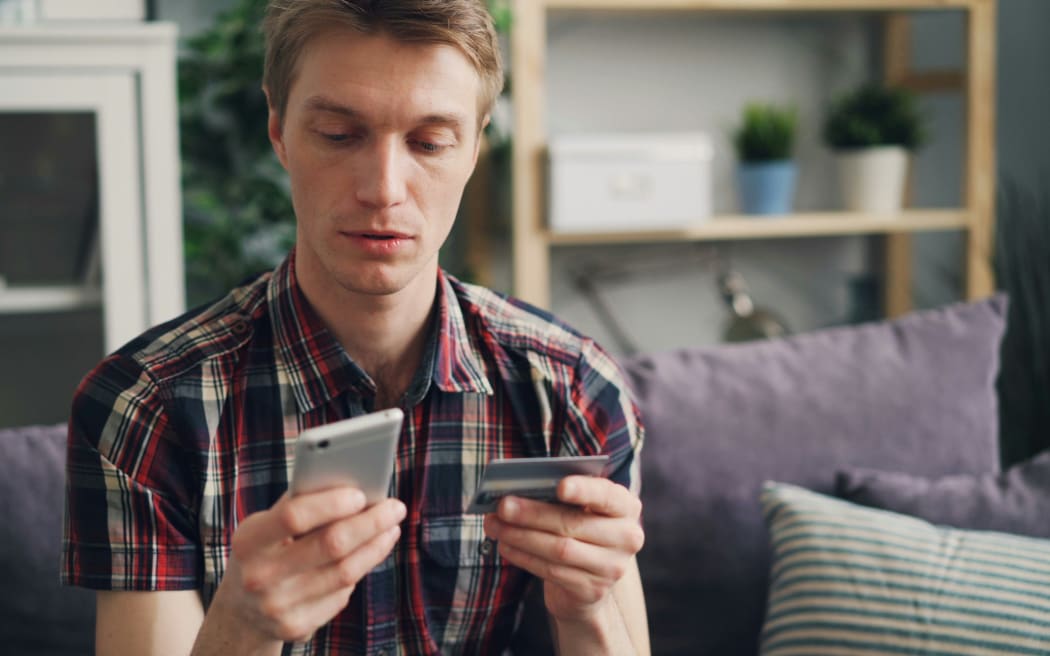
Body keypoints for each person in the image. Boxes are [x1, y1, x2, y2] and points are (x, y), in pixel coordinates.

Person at [62, 1, 649, 654]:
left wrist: (590, 609)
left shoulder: (571, 389)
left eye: (429, 142)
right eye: (340, 135)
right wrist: (243, 629)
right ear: (280, 130)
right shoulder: (148, 406)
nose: (383, 189)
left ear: (475, 146)